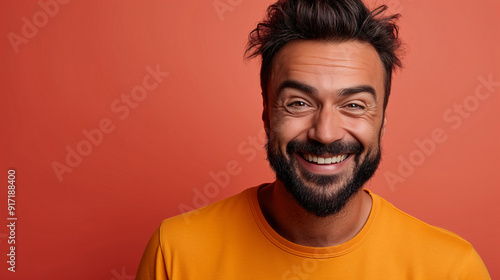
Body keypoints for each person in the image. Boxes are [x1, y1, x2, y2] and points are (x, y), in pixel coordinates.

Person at [136, 0, 491, 279]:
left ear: (382, 121)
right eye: (299, 103)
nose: (325, 132)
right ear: (267, 114)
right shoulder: (177, 252)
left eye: (353, 105)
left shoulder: (450, 269)